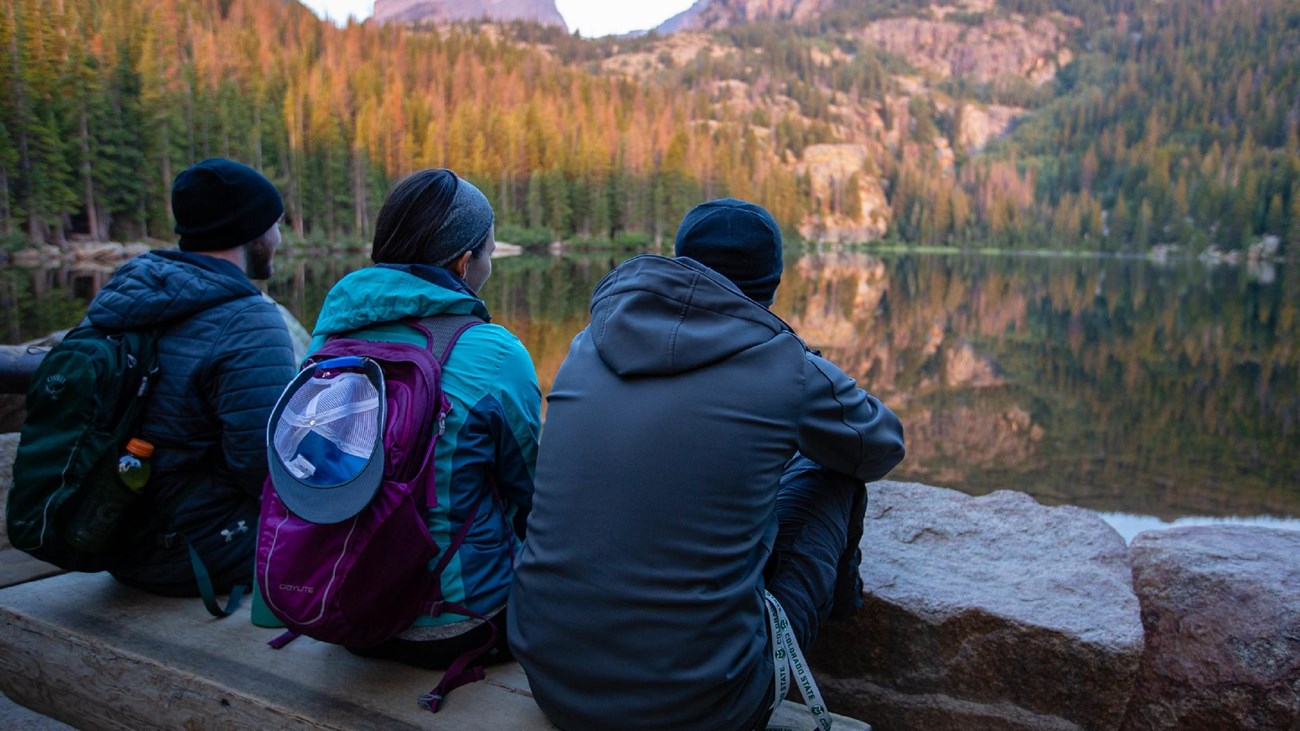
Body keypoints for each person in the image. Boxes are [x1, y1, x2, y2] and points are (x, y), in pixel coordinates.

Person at [509, 198, 905, 731]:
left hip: (551, 682)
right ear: (771, 284)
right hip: (705, 709)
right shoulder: (788, 367)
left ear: (680, 262)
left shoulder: (587, 344)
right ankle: (842, 617)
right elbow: (880, 446)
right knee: (832, 473)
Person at [307, 168, 541, 671]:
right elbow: (536, 493)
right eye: (489, 252)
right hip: (460, 624)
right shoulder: (493, 351)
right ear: (464, 260)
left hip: (343, 609)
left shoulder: (326, 342)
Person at [89, 157, 297, 597]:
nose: (279, 238)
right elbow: (264, 468)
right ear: (253, 232)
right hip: (196, 551)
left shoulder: (124, 300)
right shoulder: (249, 321)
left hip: (110, 534)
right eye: (276, 225)